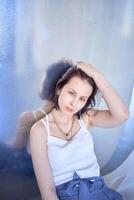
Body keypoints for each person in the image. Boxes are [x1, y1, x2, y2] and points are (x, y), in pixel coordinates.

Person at [30, 61, 129, 200]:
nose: (74, 103)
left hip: (99, 192)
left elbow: (122, 115)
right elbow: (47, 189)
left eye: (82, 98)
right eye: (71, 93)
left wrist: (96, 75)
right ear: (59, 89)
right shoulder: (39, 130)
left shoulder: (86, 118)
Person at [0, 60, 72, 175]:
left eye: (44, 77)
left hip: (29, 169)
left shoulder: (30, 117)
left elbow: (17, 146)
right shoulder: (70, 117)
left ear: (49, 83)